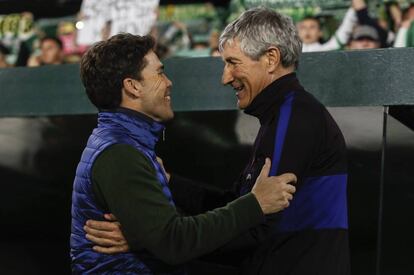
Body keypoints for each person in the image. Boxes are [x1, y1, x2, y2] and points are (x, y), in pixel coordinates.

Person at [86, 7, 350, 274]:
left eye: (233, 63)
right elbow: (238, 205)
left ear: (271, 59)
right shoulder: (282, 116)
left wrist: (153, 240)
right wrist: (171, 186)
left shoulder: (296, 118)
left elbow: (256, 228)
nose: (225, 78)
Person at [70, 33, 297, 274]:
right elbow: (173, 242)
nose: (169, 82)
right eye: (159, 72)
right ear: (133, 86)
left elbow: (165, 237)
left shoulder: (120, 143)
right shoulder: (120, 153)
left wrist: (145, 238)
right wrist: (257, 203)